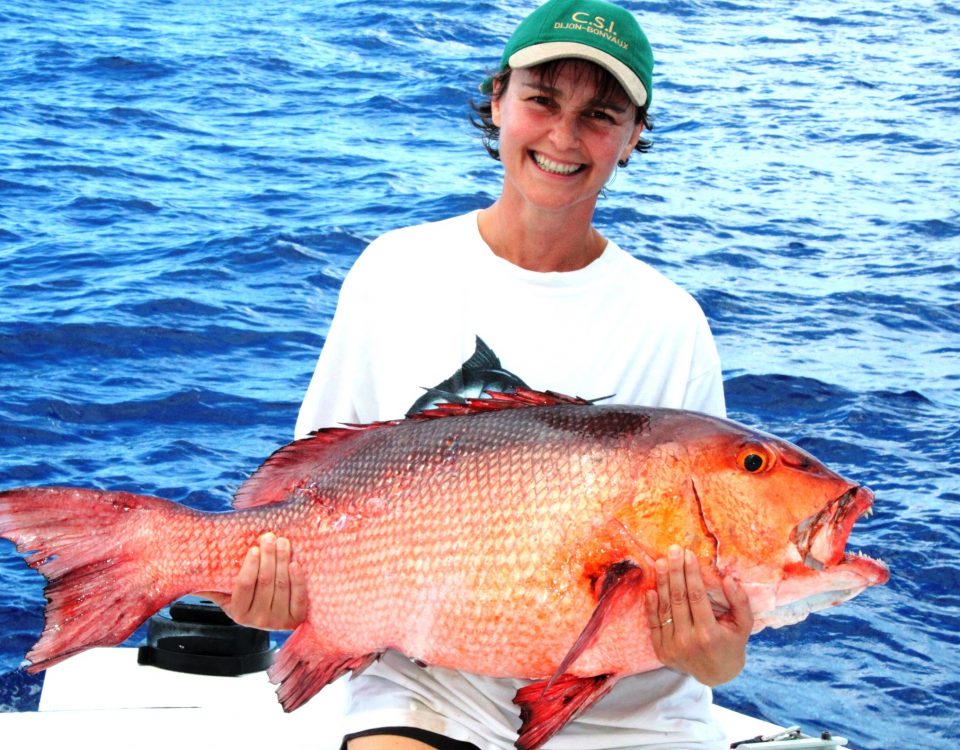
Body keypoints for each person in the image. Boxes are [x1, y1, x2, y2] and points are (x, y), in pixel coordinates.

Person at [208, 0, 754, 747]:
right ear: (497, 101)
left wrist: (716, 653)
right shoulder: (394, 272)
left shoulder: (671, 324)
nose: (564, 136)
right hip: (423, 684)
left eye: (600, 114)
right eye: (541, 100)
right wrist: (271, 592)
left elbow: (719, 653)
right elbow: (306, 498)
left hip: (627, 715)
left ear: (632, 138)